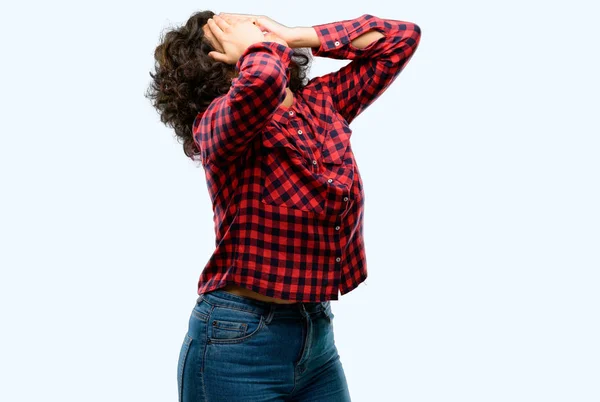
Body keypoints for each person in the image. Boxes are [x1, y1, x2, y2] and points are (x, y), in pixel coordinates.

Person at [146, 9, 421, 401]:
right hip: (236, 343)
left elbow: (399, 41)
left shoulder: (321, 105)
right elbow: (263, 81)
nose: (269, 44)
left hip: (316, 337)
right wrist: (258, 50)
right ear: (226, 67)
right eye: (252, 42)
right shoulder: (217, 129)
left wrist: (297, 34)